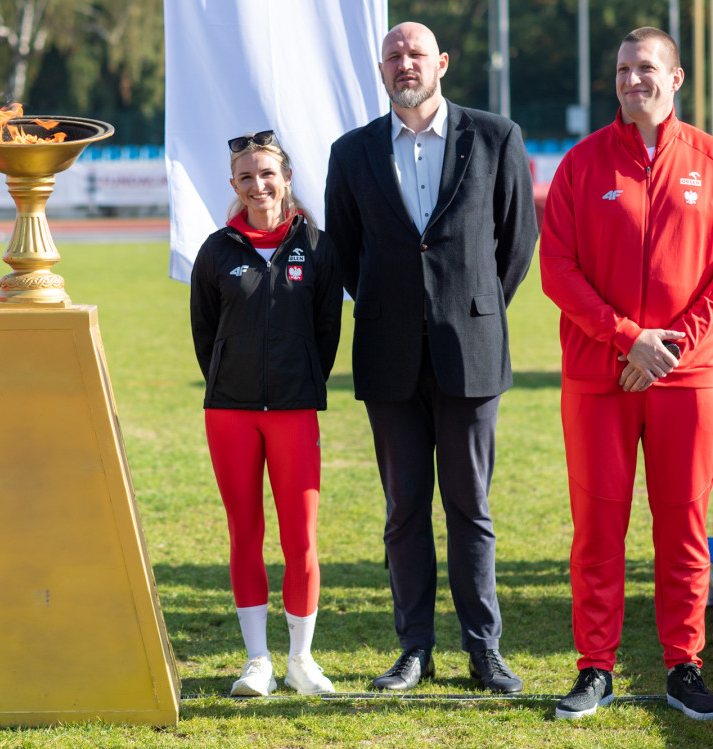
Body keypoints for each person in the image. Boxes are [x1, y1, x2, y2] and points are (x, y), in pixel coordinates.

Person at [324, 22, 537, 694]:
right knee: (404, 508)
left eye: (416, 53)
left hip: (470, 350)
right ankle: (414, 648)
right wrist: (400, 309)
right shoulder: (351, 152)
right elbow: (347, 252)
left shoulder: (495, 136)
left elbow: (517, 241)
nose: (404, 64)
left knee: (470, 506)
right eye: (393, 56)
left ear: (441, 62)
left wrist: (468, 305)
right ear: (381, 70)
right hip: (389, 356)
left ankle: (485, 649)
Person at [541, 27, 713, 721]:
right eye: (621, 68)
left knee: (683, 525)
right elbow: (558, 269)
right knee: (598, 527)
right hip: (598, 375)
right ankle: (595, 666)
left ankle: (684, 662)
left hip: (686, 377)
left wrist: (668, 348)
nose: (630, 79)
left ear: (675, 79)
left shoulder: (707, 158)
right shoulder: (581, 164)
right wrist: (627, 339)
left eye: (645, 68)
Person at [190, 130, 343, 696]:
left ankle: (301, 659)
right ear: (234, 185)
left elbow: (328, 329)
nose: (259, 186)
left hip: (294, 410)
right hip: (229, 413)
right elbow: (205, 333)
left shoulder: (318, 246)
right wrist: (231, 379)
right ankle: (258, 661)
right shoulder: (216, 249)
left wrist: (298, 379)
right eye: (247, 177)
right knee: (244, 531)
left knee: (300, 537)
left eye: (267, 174)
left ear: (286, 179)